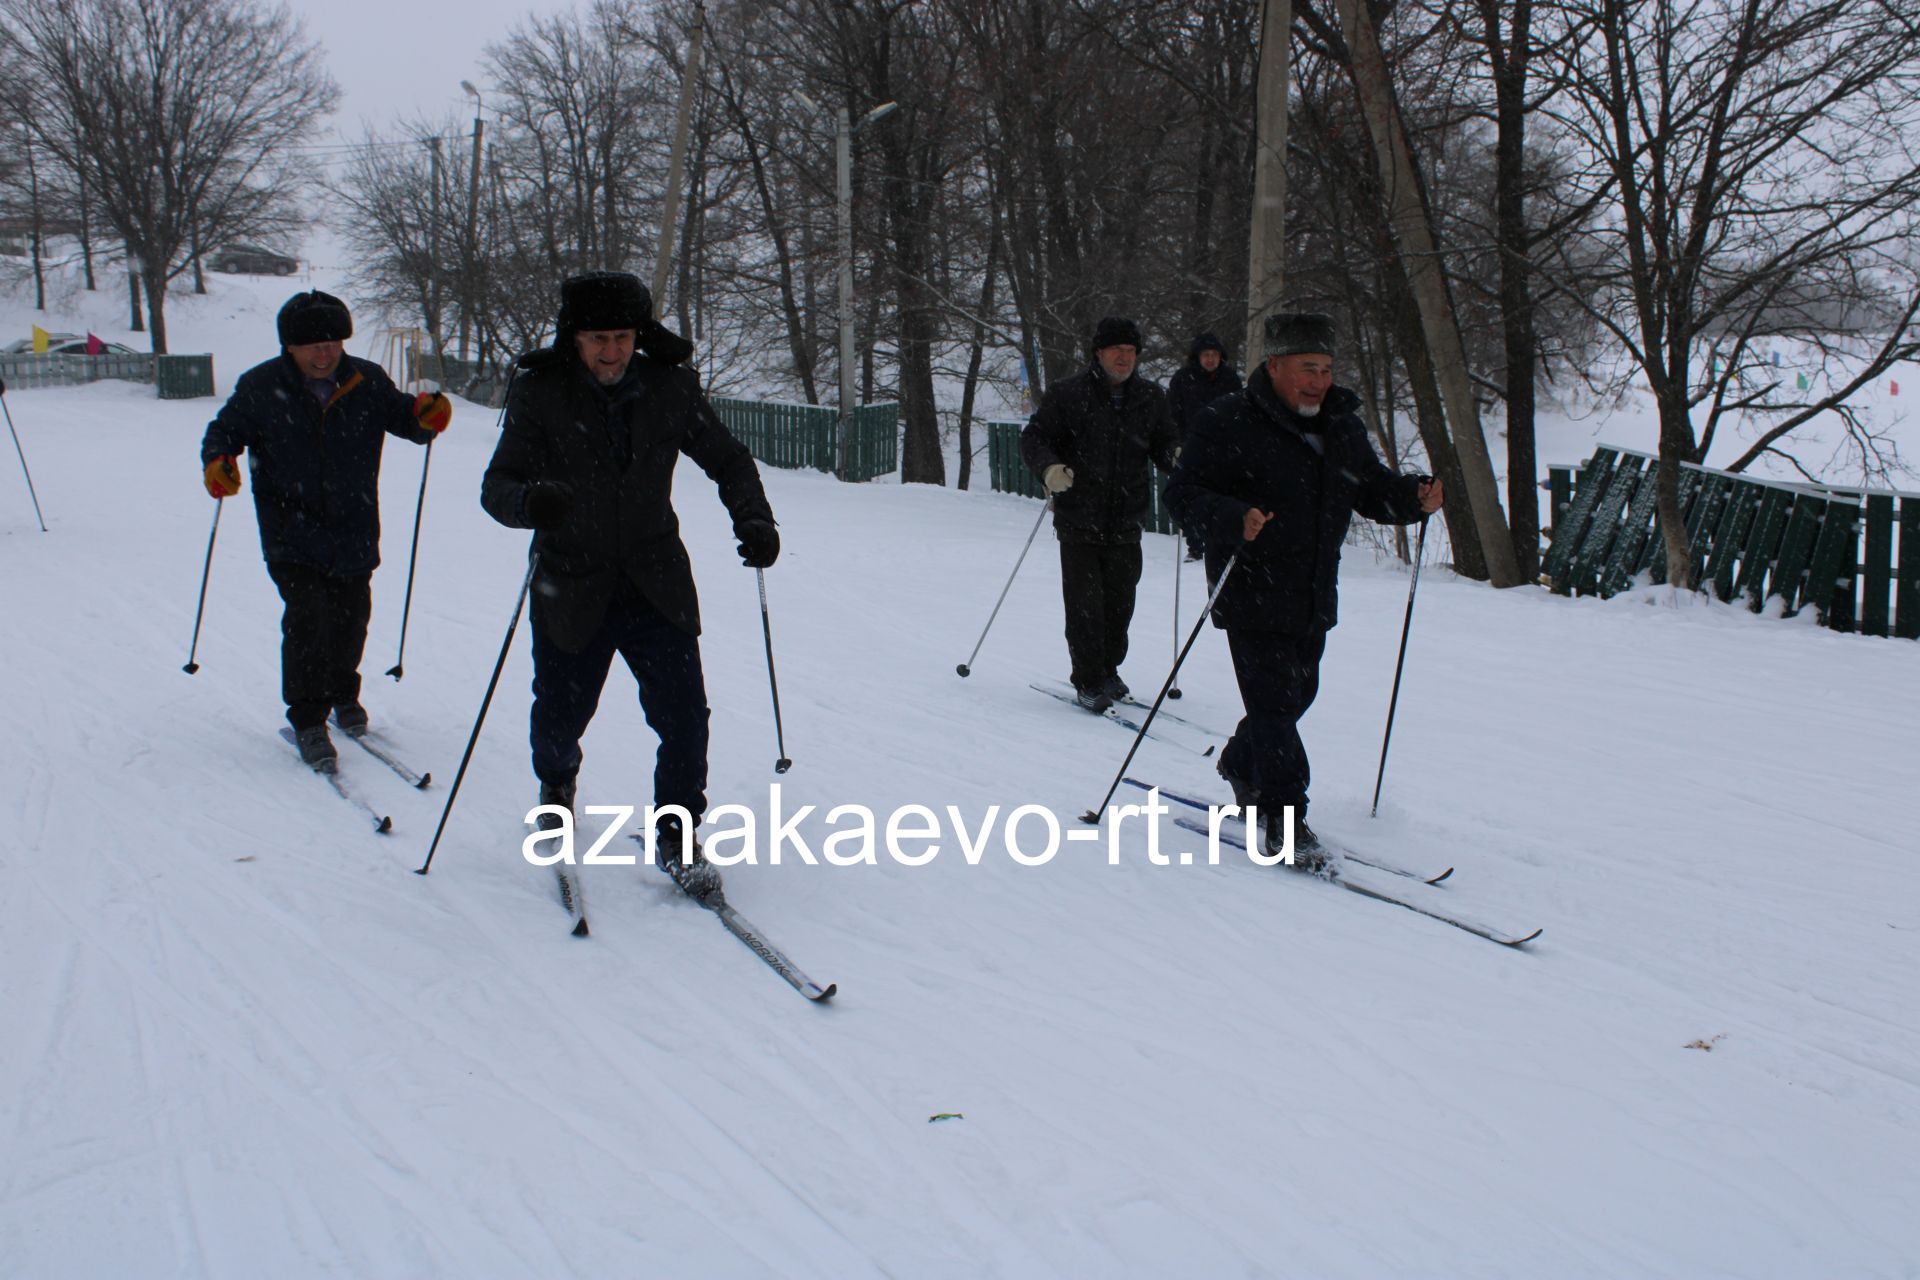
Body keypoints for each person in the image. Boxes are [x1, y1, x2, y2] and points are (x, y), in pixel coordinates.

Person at [481, 271, 778, 901]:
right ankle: (557, 784)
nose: (610, 351)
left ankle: (677, 830)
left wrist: (753, 516)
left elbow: (726, 458)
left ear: (638, 336)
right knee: (559, 720)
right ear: (574, 338)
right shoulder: (542, 392)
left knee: (684, 718)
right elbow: (498, 485)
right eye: (597, 339)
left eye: (621, 337)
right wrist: (531, 502)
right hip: (570, 580)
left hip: (654, 580)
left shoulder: (670, 387)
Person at [1163, 312, 1442, 869]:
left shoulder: (1341, 426)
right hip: (1248, 584)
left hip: (1313, 587)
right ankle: (1284, 818)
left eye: (1327, 368)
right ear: (1274, 366)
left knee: (1295, 697)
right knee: (1271, 704)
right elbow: (1182, 493)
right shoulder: (1229, 420)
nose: (1319, 380)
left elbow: (1370, 490)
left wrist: (1413, 499)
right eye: (1307, 368)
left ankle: (1243, 764)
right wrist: (1231, 516)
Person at [200, 289, 451, 768]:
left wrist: (426, 416)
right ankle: (309, 718)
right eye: (314, 344)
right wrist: (218, 460)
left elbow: (406, 419)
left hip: (354, 525)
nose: (325, 352)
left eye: (334, 341)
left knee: (351, 617)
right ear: (289, 347)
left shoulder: (366, 380)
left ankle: (342, 693)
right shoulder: (261, 386)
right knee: (308, 619)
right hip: (289, 530)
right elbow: (225, 431)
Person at [1019, 316, 1179, 713]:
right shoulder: (1068, 394)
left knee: (1120, 604)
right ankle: (1088, 679)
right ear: (1098, 353)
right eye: (1117, 351)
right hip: (1079, 517)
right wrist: (1049, 468)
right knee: (1085, 606)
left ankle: (1108, 668)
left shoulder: (1150, 398)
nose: (1125, 358)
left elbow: (1164, 443)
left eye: (1131, 352)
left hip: (1127, 518)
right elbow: (1034, 437)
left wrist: (1177, 456)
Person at [1163, 332, 1244, 561]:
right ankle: (1196, 544)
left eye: (1214, 355)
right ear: (1197, 357)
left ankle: (1220, 540)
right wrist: (1177, 441)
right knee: (1193, 494)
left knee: (1222, 496)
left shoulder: (1230, 379)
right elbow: (1173, 413)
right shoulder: (1183, 379)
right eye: (1206, 355)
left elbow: (1240, 411)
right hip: (1192, 445)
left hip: (1224, 447)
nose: (1210, 359)